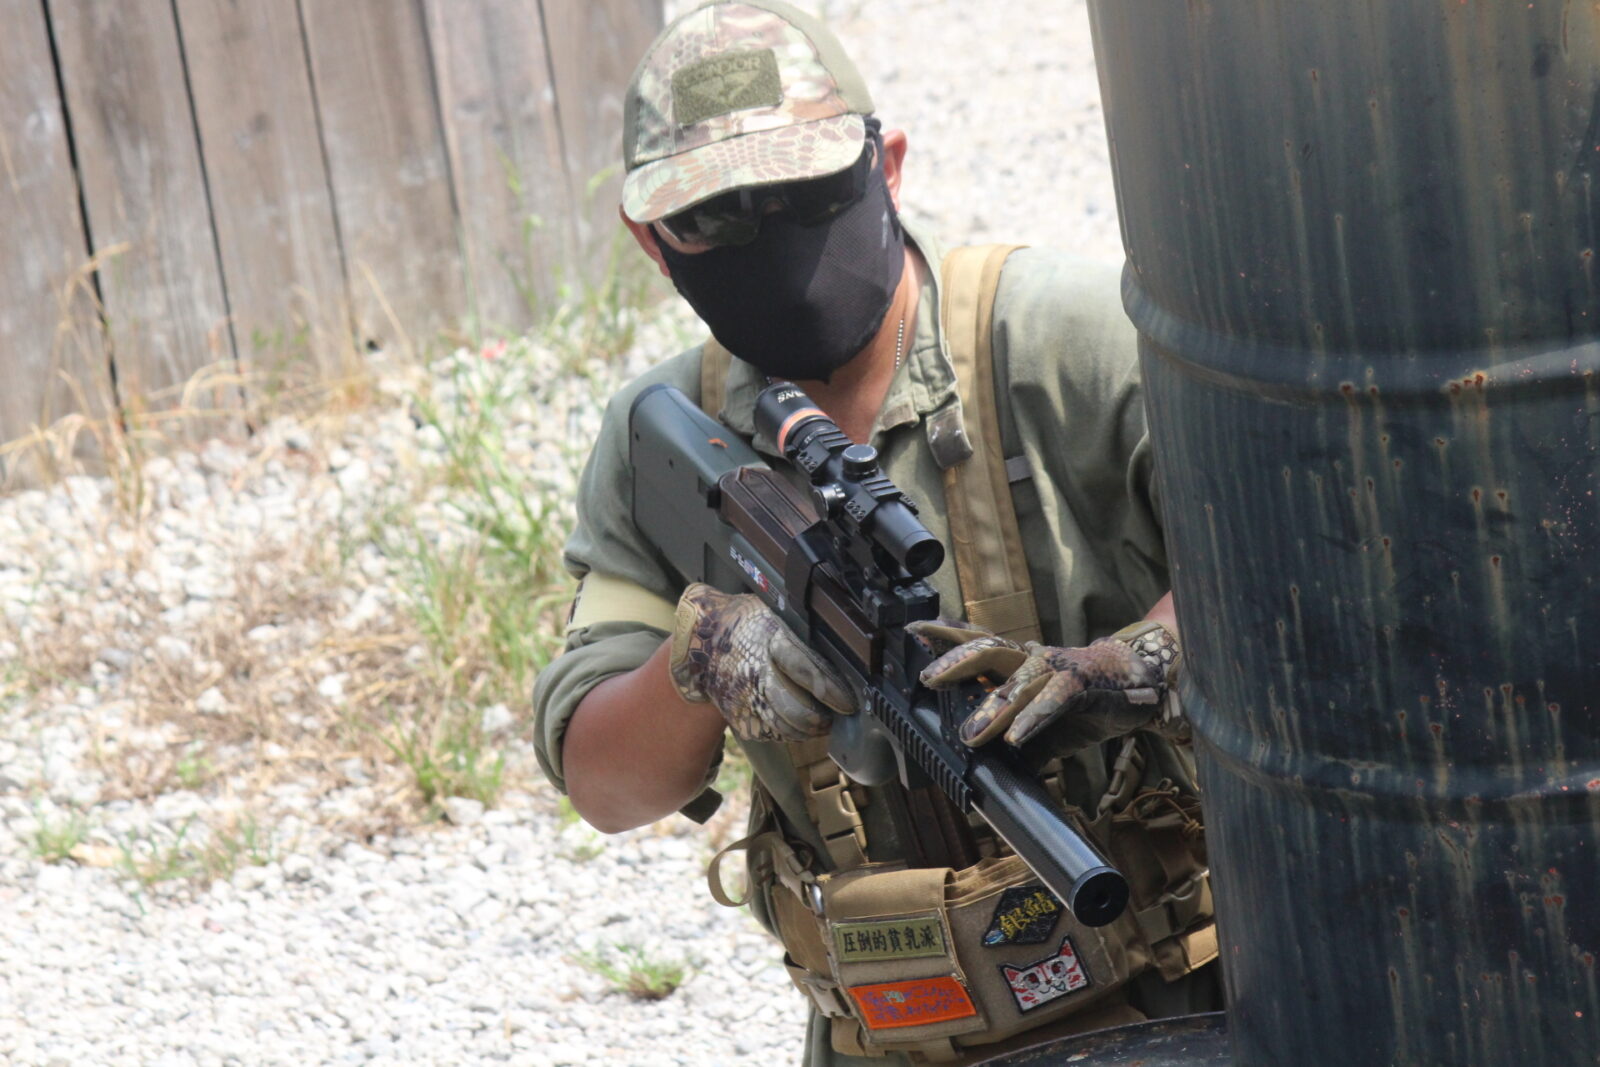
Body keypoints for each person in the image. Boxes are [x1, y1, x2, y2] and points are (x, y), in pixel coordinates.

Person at [533, 2, 1219, 1062]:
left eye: (804, 193)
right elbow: (607, 784)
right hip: (885, 1036)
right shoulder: (663, 440)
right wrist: (700, 662)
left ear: (885, 164)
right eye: (712, 217)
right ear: (650, 242)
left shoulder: (1068, 343)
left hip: (1180, 1000)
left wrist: (1133, 667)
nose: (766, 235)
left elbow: (1315, 581)